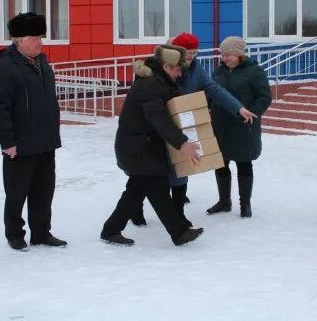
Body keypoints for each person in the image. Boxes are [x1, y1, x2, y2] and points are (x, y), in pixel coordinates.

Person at [130, 32, 257, 227]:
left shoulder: (197, 70)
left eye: (194, 52)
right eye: (187, 52)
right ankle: (135, 208)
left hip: (181, 125)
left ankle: (178, 215)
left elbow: (215, 90)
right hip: (157, 126)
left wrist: (238, 108)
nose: (191, 56)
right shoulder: (162, 69)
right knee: (150, 171)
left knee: (181, 168)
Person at [100, 45, 204, 246]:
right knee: (157, 187)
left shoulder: (158, 83)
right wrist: (182, 143)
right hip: (138, 148)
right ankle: (179, 232)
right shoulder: (149, 85)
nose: (180, 73)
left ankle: (111, 230)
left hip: (142, 146)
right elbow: (158, 118)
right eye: (177, 69)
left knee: (137, 190)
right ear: (166, 66)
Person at [0, 12, 67, 251]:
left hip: (45, 139)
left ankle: (41, 232)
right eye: (33, 37)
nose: (39, 42)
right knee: (16, 193)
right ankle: (15, 234)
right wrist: (7, 141)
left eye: (40, 37)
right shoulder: (5, 68)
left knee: (43, 192)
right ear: (18, 40)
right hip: (20, 143)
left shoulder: (42, 62)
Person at [206, 36, 272, 218]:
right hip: (220, 126)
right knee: (220, 163)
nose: (225, 58)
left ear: (239, 54)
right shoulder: (218, 72)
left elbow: (265, 97)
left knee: (244, 164)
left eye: (229, 55)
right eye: (223, 55)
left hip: (244, 127)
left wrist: (252, 112)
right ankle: (224, 201)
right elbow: (209, 94)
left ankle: (245, 204)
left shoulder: (254, 71)